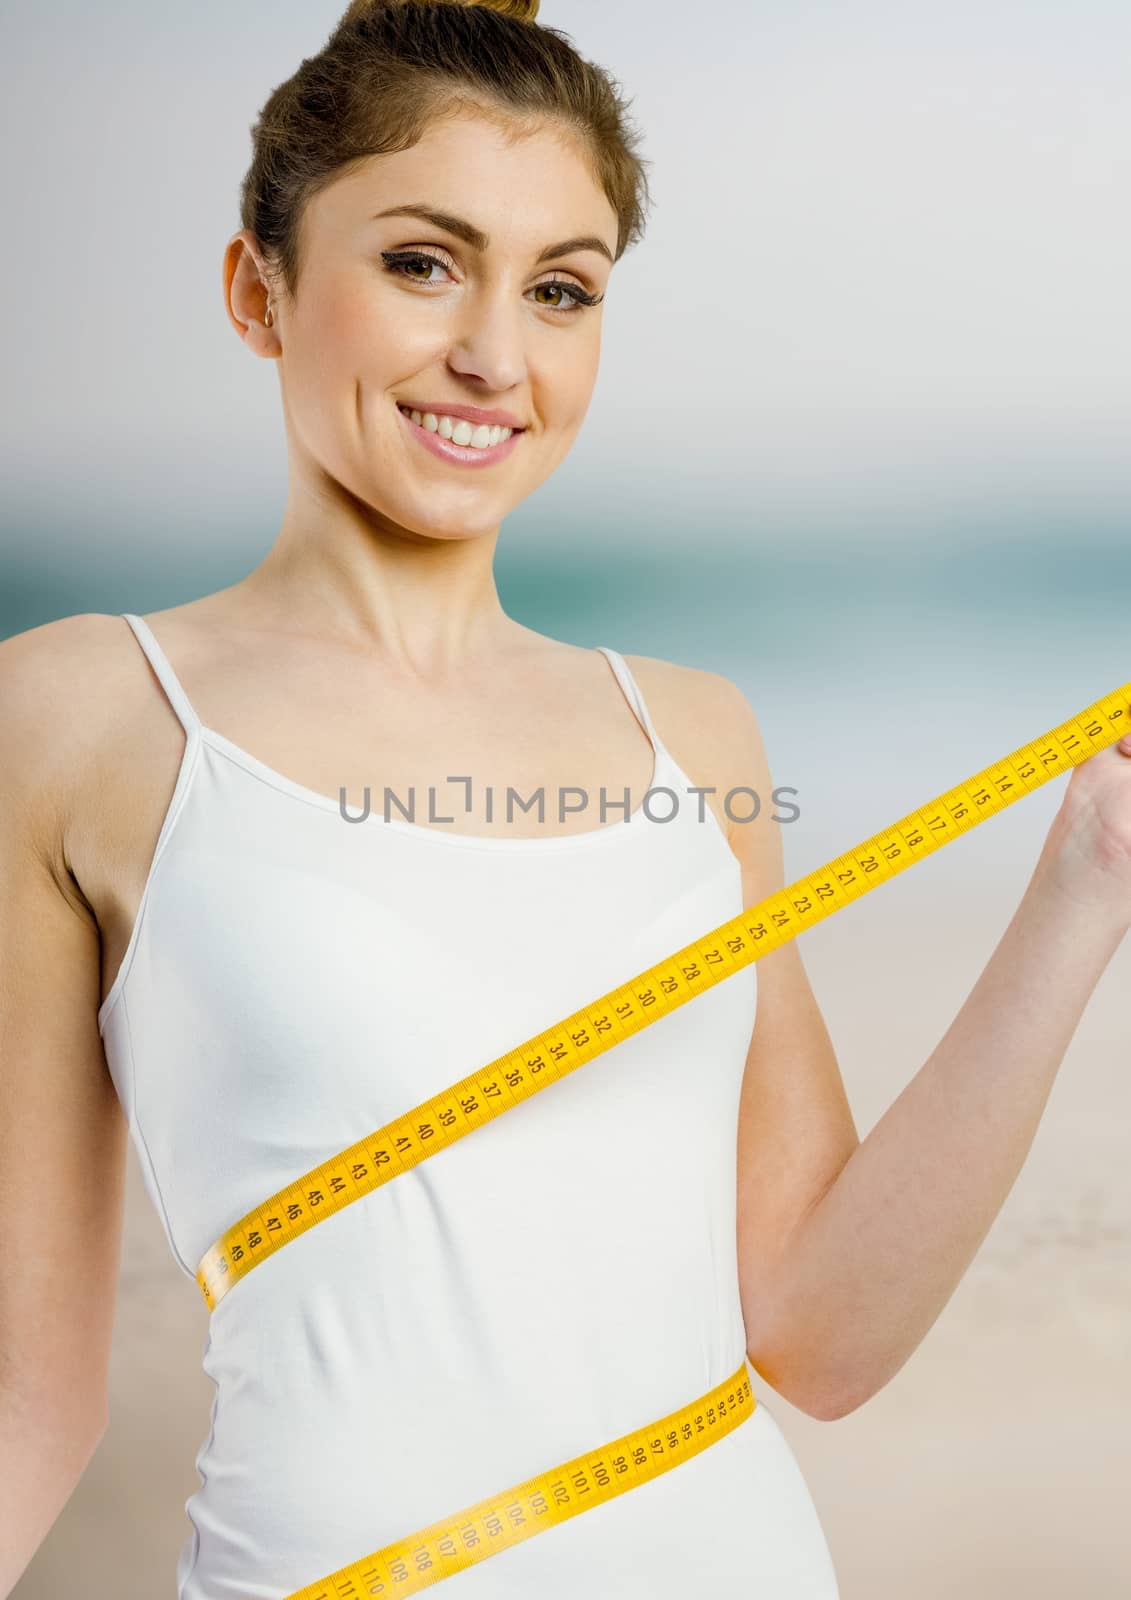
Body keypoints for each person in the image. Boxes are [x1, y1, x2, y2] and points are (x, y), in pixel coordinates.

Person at [3, 2, 1129, 1597]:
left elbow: (821, 1332)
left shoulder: (696, 735)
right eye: (418, 262)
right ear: (259, 288)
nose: (493, 355)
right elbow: (24, 1396)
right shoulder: (76, 718)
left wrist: (1088, 880)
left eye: (560, 290)